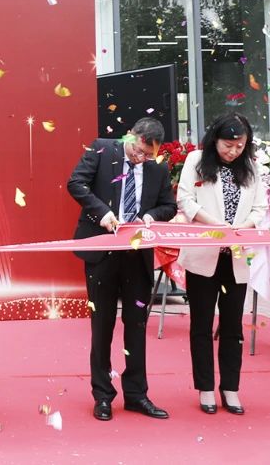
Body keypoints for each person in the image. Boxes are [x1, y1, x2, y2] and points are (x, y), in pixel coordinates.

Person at [66, 117, 176, 422]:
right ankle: (102, 395)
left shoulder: (157, 168)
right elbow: (76, 183)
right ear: (130, 135)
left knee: (136, 324)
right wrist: (102, 212)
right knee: (102, 324)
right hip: (102, 251)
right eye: (138, 151)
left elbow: (169, 206)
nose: (141, 158)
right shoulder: (102, 149)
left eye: (148, 155)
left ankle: (137, 394)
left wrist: (151, 216)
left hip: (137, 255)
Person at [175, 113, 267, 416]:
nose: (233, 152)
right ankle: (205, 387)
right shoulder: (196, 160)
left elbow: (260, 208)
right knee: (201, 324)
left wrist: (242, 228)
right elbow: (186, 200)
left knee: (232, 326)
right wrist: (217, 226)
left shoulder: (251, 167)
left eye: (239, 146)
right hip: (204, 255)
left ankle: (230, 387)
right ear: (215, 140)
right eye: (228, 145)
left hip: (236, 255)